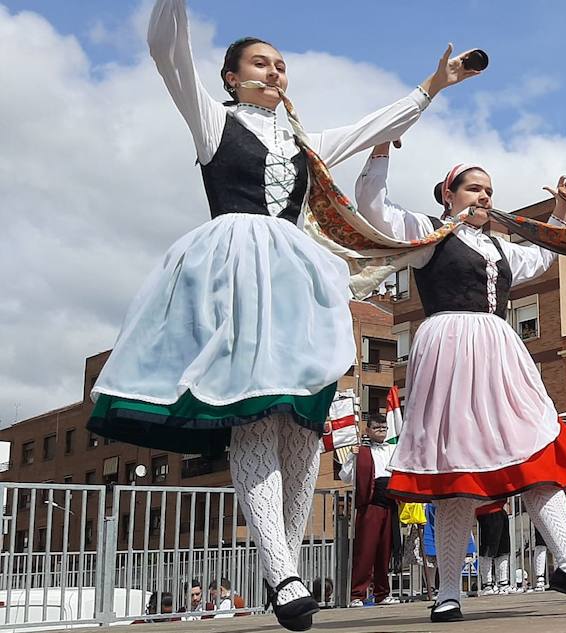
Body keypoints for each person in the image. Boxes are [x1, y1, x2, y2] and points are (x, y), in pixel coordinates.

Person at [85, 1, 473, 629]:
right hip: (235, 274)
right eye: (260, 64)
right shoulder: (212, 122)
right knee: (256, 418)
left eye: (282, 66)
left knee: (302, 427)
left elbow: (374, 125)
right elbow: (167, 51)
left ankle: (285, 565)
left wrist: (432, 87)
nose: (274, 73)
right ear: (232, 77)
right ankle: (281, 572)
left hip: (295, 282)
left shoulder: (303, 142)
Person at [354, 142, 566, 622]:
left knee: (537, 448)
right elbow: (374, 207)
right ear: (448, 195)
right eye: (474, 188)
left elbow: (541, 258)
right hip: (450, 350)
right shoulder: (429, 234)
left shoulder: (499, 246)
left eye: (490, 191)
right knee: (458, 477)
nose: (484, 197)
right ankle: (449, 592)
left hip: (498, 351)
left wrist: (560, 209)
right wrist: (379, 148)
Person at [339, 418, 400, 607]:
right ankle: (357, 595)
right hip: (370, 504)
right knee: (365, 550)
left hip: (389, 503)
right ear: (368, 430)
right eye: (377, 427)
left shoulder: (393, 449)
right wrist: (352, 456)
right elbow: (345, 477)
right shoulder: (362, 452)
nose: (381, 430)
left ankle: (383, 593)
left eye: (384, 427)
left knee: (384, 551)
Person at [475, 501, 513, 595]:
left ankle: (503, 583)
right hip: (487, 510)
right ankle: (487, 584)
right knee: (488, 548)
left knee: (503, 548)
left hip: (499, 509)